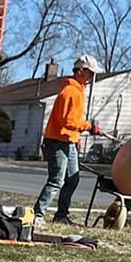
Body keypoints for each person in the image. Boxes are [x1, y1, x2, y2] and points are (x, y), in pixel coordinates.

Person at [34, 55, 102, 224]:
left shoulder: (78, 91)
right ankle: (37, 216)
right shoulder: (69, 92)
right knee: (56, 180)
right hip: (57, 141)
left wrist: (77, 137)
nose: (92, 77)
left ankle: (61, 216)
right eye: (90, 73)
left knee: (73, 178)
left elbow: (72, 122)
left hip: (68, 140)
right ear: (80, 71)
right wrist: (89, 127)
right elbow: (68, 121)